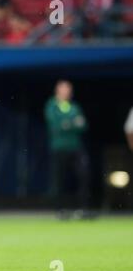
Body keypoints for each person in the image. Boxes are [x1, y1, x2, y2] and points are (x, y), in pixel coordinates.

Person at [45, 80, 90, 218]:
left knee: (84, 175)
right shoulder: (52, 105)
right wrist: (72, 123)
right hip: (59, 147)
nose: (66, 92)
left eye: (68, 89)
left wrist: (67, 124)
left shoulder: (74, 106)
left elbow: (83, 125)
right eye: (63, 89)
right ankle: (60, 210)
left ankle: (83, 210)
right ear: (57, 91)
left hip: (75, 147)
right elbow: (56, 126)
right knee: (59, 180)